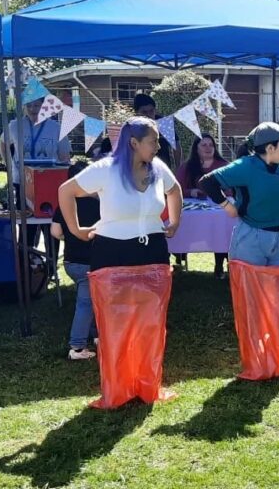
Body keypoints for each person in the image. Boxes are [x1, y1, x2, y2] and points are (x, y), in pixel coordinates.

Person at [58, 117, 183, 407]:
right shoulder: (105, 169)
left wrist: (175, 222)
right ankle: (119, 388)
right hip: (111, 255)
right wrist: (76, 230)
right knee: (115, 326)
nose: (158, 146)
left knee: (150, 324)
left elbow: (174, 190)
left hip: (152, 252)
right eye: (153, 141)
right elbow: (66, 191)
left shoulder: (158, 168)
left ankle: (146, 385)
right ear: (133, 143)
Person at [199, 122, 279, 266]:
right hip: (251, 238)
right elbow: (207, 182)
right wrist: (229, 206)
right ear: (270, 148)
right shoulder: (245, 166)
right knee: (249, 286)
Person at [0, 94, 71, 268]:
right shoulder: (15, 125)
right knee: (26, 225)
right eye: (29, 106)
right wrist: (8, 163)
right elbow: (3, 143)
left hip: (49, 183)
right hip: (22, 182)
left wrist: (60, 170)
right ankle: (26, 264)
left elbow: (64, 155)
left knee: (50, 226)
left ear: (44, 106)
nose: (32, 110)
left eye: (37, 106)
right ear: (23, 107)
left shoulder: (56, 127)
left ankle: (51, 266)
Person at [51, 161, 101, 360]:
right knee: (87, 303)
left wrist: (70, 237)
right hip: (91, 262)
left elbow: (55, 232)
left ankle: (96, 335)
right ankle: (77, 347)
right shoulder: (99, 205)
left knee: (90, 300)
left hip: (71, 262)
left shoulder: (63, 204)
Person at [175, 134, 230, 278]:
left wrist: (219, 192)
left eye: (211, 145)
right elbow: (176, 189)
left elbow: (233, 188)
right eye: (204, 145)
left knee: (221, 228)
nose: (208, 148)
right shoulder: (186, 167)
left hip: (220, 209)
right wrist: (191, 192)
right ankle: (179, 259)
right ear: (196, 148)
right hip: (192, 211)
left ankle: (219, 265)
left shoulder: (224, 165)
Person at [133, 94, 178, 169]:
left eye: (151, 111)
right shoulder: (131, 126)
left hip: (163, 167)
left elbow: (176, 146)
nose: (148, 115)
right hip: (139, 169)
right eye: (144, 112)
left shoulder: (164, 124)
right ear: (136, 113)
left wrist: (178, 167)